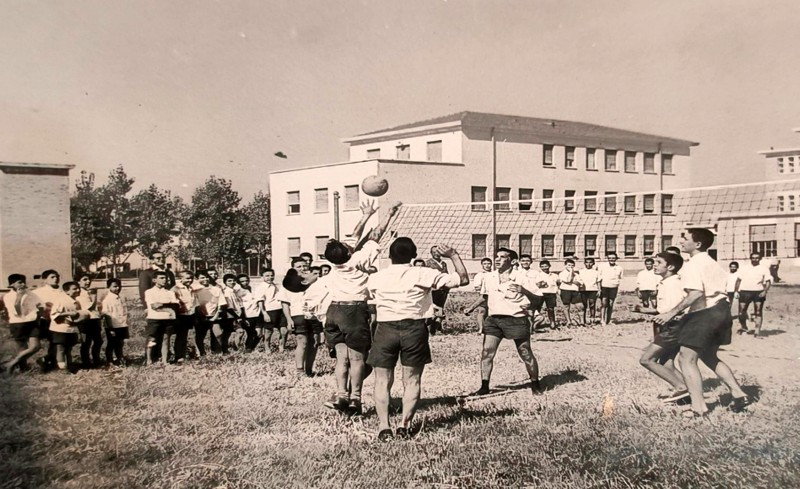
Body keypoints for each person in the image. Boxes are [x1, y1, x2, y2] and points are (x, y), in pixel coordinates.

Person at [367, 239, 468, 440]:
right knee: (411, 380)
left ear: (389, 256)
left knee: (381, 381)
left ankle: (384, 427)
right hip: (414, 328)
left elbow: (368, 302)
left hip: (385, 328)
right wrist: (454, 255)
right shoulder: (424, 273)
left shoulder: (376, 277)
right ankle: (404, 426)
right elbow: (463, 279)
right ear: (414, 256)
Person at [654, 228, 750, 416]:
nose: (681, 241)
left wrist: (671, 313)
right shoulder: (711, 262)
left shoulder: (693, 265)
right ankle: (739, 394)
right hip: (721, 311)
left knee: (685, 358)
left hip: (706, 313)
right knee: (709, 356)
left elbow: (696, 294)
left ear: (697, 244)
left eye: (685, 238)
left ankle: (699, 408)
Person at [322, 200, 400, 416]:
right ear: (348, 252)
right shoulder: (359, 259)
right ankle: (355, 398)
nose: (350, 243)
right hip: (353, 311)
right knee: (357, 359)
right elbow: (376, 234)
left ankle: (341, 395)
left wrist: (366, 215)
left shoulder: (334, 263)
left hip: (333, 311)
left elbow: (355, 235)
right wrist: (389, 215)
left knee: (341, 359)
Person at [471, 247, 544, 398]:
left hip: (516, 319)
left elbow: (538, 299)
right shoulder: (489, 277)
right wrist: (471, 307)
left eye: (502, 257)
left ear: (513, 261)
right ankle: (484, 386)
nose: (497, 259)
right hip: (494, 319)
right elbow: (484, 296)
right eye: (496, 257)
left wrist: (524, 291)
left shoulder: (522, 277)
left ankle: (535, 384)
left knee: (525, 353)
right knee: (486, 353)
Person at [635, 253, 689, 403]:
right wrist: (644, 310)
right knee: (666, 361)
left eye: (658, 262)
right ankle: (689, 392)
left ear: (670, 267)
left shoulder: (673, 283)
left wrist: (673, 317)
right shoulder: (666, 282)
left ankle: (680, 387)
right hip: (671, 326)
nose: (654, 265)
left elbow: (677, 308)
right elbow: (666, 308)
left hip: (673, 327)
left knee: (646, 360)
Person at [280, 257, 320, 378]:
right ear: (293, 268)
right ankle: (299, 370)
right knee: (302, 342)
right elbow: (285, 304)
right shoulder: (287, 284)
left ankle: (309, 369)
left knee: (314, 342)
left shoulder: (314, 282)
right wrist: (289, 319)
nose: (302, 269)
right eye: (299, 267)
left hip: (314, 316)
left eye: (304, 266)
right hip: (298, 315)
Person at [2, 274, 42, 373]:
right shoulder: (8, 296)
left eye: (24, 282)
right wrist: (19, 297)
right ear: (12, 284)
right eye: (20, 282)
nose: (23, 284)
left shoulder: (29, 293)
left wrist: (38, 314)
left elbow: (40, 304)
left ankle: (11, 363)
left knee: (35, 346)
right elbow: (18, 312)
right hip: (18, 324)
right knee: (22, 348)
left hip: (32, 322)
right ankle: (23, 368)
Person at [144, 271, 179, 365]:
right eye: (162, 278)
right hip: (154, 318)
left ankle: (164, 360)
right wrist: (169, 308)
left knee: (166, 339)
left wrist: (163, 305)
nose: (165, 280)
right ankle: (148, 360)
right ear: (154, 280)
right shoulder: (149, 292)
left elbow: (175, 305)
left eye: (166, 278)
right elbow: (154, 306)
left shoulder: (170, 293)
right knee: (152, 339)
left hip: (168, 319)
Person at [49, 281, 86, 372]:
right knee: (61, 349)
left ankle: (69, 366)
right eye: (74, 289)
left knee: (69, 349)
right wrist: (69, 313)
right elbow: (54, 314)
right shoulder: (61, 300)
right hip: (60, 329)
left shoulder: (77, 302)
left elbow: (78, 317)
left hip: (71, 329)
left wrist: (80, 330)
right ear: (66, 291)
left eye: (78, 288)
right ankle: (63, 369)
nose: (78, 290)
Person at [33, 269, 63, 371]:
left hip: (58, 319)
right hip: (44, 320)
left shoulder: (61, 291)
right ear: (45, 279)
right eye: (52, 277)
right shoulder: (38, 292)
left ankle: (49, 360)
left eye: (57, 277)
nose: (56, 279)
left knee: (56, 342)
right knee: (44, 341)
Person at [736, 252, 771, 338]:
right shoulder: (744, 268)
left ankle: (757, 332)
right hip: (745, 292)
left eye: (757, 258)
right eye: (753, 258)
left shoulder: (764, 269)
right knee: (741, 312)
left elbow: (768, 281)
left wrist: (765, 291)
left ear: (760, 259)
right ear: (750, 258)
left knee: (758, 312)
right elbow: (738, 280)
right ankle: (743, 327)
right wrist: (736, 291)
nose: (755, 259)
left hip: (758, 292)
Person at [194, 269, 227, 357]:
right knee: (200, 335)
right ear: (197, 279)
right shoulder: (195, 290)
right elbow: (195, 305)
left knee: (218, 334)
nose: (205, 279)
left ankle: (218, 352)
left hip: (214, 316)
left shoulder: (216, 289)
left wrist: (215, 316)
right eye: (202, 278)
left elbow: (221, 305)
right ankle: (201, 353)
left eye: (207, 277)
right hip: (200, 316)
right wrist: (201, 317)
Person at [75, 273, 103, 368]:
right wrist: (94, 296)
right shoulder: (79, 293)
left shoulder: (87, 292)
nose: (88, 281)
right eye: (85, 279)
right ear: (78, 281)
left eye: (89, 279)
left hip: (94, 319)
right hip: (86, 320)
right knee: (86, 342)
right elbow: (90, 307)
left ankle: (96, 360)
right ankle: (86, 363)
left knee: (98, 341)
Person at [254, 268, 285, 352]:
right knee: (268, 331)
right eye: (267, 276)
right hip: (270, 310)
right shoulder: (261, 287)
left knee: (283, 330)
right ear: (262, 277)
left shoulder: (276, 286)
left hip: (280, 309)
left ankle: (281, 346)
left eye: (272, 275)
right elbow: (260, 301)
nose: (270, 277)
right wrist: (264, 313)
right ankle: (267, 347)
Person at [101, 278, 129, 366]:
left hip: (121, 324)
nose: (118, 288)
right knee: (112, 343)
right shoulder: (107, 300)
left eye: (119, 286)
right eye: (115, 286)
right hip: (113, 326)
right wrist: (111, 328)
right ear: (108, 287)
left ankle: (120, 358)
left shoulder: (119, 298)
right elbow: (107, 315)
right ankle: (109, 361)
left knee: (120, 343)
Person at [172, 271, 198, 363]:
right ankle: (178, 356)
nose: (190, 280)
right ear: (181, 279)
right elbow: (175, 303)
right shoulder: (176, 289)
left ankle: (185, 354)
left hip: (190, 314)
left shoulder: (191, 288)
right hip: (180, 316)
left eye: (191, 278)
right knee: (180, 336)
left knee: (186, 335)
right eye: (187, 278)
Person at [463, 257, 493, 335]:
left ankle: (490, 328)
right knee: (482, 311)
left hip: (493, 295)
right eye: (485, 264)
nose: (487, 265)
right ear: (482, 265)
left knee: (491, 312)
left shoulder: (494, 273)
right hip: (484, 294)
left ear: (491, 264)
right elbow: (477, 286)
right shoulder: (480, 275)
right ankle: (481, 329)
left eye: (489, 264)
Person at [426, 246, 451, 335]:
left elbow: (446, 274)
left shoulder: (443, 263)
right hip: (434, 289)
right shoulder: (428, 263)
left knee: (441, 307)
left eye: (438, 252)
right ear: (431, 253)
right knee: (434, 308)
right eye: (434, 252)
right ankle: (431, 328)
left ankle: (438, 327)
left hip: (443, 289)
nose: (436, 254)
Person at [237, 274, 263, 353]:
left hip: (257, 313)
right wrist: (243, 318)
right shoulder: (238, 292)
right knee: (250, 333)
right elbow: (239, 306)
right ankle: (246, 349)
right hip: (247, 315)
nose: (245, 282)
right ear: (238, 282)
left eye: (246, 280)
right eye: (242, 281)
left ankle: (250, 348)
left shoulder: (252, 289)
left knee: (259, 334)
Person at [599, 252, 624, 325]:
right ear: (607, 259)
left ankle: (608, 320)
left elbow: (620, 278)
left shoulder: (619, 268)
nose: (611, 260)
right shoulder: (602, 266)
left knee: (610, 304)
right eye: (610, 258)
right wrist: (599, 288)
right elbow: (599, 278)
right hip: (604, 286)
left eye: (613, 258)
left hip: (613, 287)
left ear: (616, 259)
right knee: (604, 303)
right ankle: (602, 320)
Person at [557, 258, 583, 327]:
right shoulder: (562, 273)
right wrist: (571, 273)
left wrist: (574, 281)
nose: (571, 267)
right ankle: (569, 321)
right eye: (569, 265)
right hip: (565, 290)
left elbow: (580, 283)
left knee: (580, 306)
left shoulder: (576, 274)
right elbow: (568, 280)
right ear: (565, 266)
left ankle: (582, 322)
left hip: (575, 291)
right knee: (566, 306)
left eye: (572, 265)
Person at [537, 260, 558, 329]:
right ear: (540, 267)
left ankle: (552, 322)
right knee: (537, 308)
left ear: (549, 266)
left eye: (546, 266)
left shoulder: (554, 275)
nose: (544, 268)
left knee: (551, 308)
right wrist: (541, 284)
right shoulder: (538, 275)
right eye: (542, 266)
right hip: (540, 293)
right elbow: (537, 284)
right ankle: (536, 323)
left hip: (551, 293)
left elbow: (558, 283)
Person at [580, 258, 601, 325]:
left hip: (593, 289)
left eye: (590, 262)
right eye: (587, 262)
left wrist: (599, 290)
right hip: (583, 290)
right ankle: (583, 320)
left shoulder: (596, 272)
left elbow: (598, 282)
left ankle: (592, 319)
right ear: (584, 263)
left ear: (593, 263)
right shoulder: (581, 271)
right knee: (584, 306)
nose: (588, 264)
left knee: (592, 305)